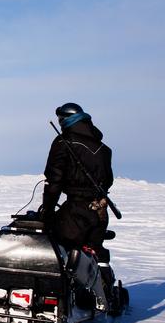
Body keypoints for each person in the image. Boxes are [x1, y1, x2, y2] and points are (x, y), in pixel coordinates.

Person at [40, 102, 113, 259]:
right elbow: (108, 180)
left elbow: (54, 180)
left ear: (66, 119)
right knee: (90, 255)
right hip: (100, 215)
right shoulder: (104, 149)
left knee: (54, 250)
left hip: (75, 215)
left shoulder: (63, 142)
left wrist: (47, 210)